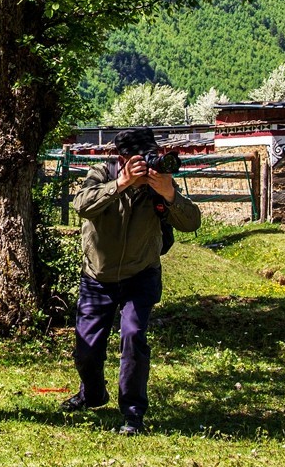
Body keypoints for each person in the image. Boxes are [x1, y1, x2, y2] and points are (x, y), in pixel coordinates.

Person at [62, 127, 201, 435]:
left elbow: (192, 222)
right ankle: (93, 393)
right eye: (141, 158)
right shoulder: (101, 173)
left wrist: (169, 194)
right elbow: (81, 206)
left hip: (141, 274)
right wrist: (122, 183)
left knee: (133, 336)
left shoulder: (160, 184)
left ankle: (133, 413)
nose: (148, 164)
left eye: (152, 155)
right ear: (123, 158)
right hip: (98, 276)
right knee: (87, 350)